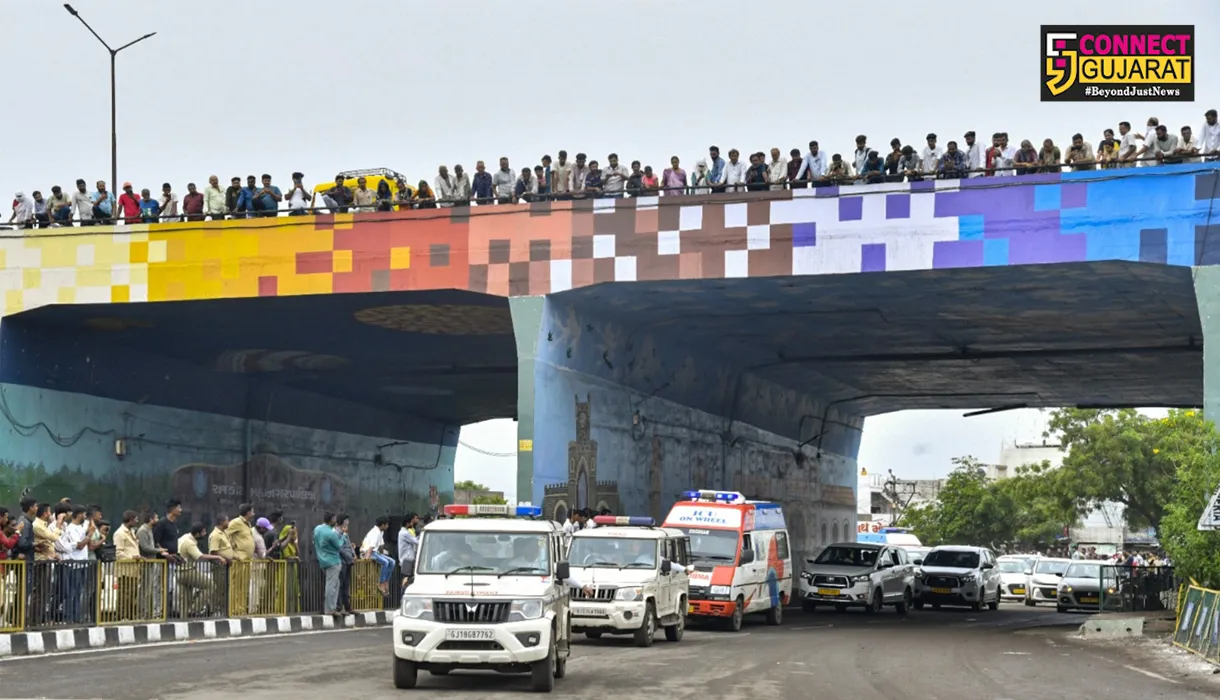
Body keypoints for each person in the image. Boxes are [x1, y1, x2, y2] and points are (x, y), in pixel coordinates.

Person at [313, 512, 344, 618]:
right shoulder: (331, 533)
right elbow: (339, 546)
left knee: (335, 583)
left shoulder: (317, 529)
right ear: (332, 520)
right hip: (333, 561)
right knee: (331, 585)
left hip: (322, 560)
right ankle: (330, 609)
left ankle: (332, 607)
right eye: (334, 519)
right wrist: (343, 537)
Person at [398, 513, 420, 588]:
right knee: (406, 579)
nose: (412, 524)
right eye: (411, 522)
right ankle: (403, 593)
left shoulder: (404, 532)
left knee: (407, 579)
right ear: (407, 523)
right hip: (407, 560)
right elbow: (416, 541)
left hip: (406, 559)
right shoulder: (404, 533)